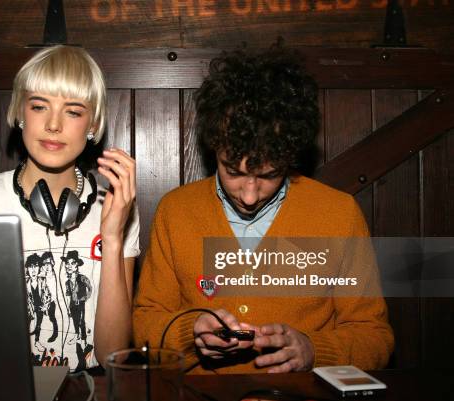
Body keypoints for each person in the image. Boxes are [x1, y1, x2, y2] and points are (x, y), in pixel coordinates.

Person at [132, 46, 393, 374]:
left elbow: (375, 337)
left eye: (269, 175)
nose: (251, 196)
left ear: (291, 156)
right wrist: (190, 334)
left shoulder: (339, 214)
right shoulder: (177, 211)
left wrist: (314, 350)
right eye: (234, 172)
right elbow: (144, 324)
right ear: (214, 148)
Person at [0, 45, 140, 371]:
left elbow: (111, 355)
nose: (54, 124)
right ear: (20, 113)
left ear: (93, 125)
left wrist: (113, 237)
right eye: (39, 106)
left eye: (73, 111)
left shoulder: (114, 202)